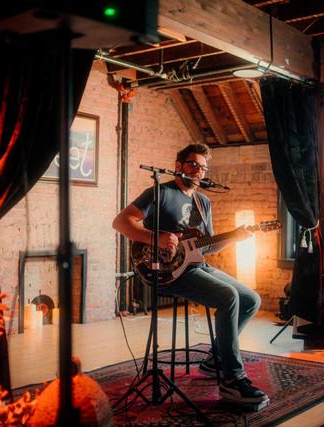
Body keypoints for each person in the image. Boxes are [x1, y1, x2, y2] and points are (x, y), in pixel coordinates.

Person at [112, 143, 268, 405]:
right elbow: (121, 222)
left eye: (203, 168)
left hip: (196, 266)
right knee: (229, 297)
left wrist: (234, 237)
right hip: (166, 271)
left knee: (251, 299)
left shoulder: (203, 202)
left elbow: (208, 245)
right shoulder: (160, 193)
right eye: (193, 164)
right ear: (178, 166)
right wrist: (156, 238)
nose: (198, 171)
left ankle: (215, 360)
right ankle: (232, 379)